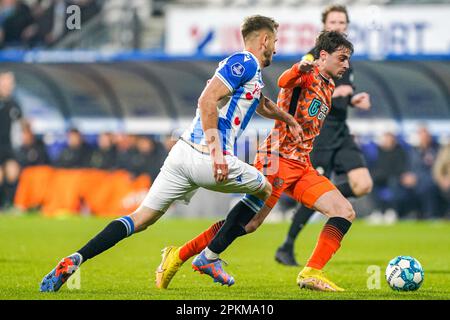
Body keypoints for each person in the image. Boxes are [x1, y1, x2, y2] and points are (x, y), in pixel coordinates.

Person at [40, 15, 301, 292]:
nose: (276, 46)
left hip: (181, 156)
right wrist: (217, 155)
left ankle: (76, 258)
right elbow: (206, 100)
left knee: (140, 219)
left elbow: (261, 104)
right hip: (206, 157)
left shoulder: (248, 71)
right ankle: (209, 257)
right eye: (274, 40)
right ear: (264, 39)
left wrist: (290, 120)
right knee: (265, 188)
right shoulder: (245, 62)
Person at [157, 31, 355, 292]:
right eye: (342, 58)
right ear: (323, 56)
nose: (346, 65)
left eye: (348, 60)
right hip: (277, 158)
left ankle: (311, 272)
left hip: (301, 165)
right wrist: (300, 66)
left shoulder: (329, 84)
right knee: (247, 224)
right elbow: (286, 80)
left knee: (344, 211)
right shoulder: (306, 73)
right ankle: (179, 255)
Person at [275, 4, 373, 266]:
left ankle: (328, 200)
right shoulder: (314, 59)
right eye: (333, 22)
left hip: (341, 130)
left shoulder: (345, 60)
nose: (338, 26)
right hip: (320, 133)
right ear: (324, 26)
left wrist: (352, 100)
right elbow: (302, 89)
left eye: (342, 22)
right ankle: (287, 245)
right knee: (314, 186)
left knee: (363, 184)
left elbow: (338, 95)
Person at [0, 71, 24, 208]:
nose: (9, 85)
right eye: (6, 82)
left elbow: (20, 123)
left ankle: (7, 204)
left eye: (11, 82)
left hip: (8, 146)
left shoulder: (14, 104)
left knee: (13, 173)